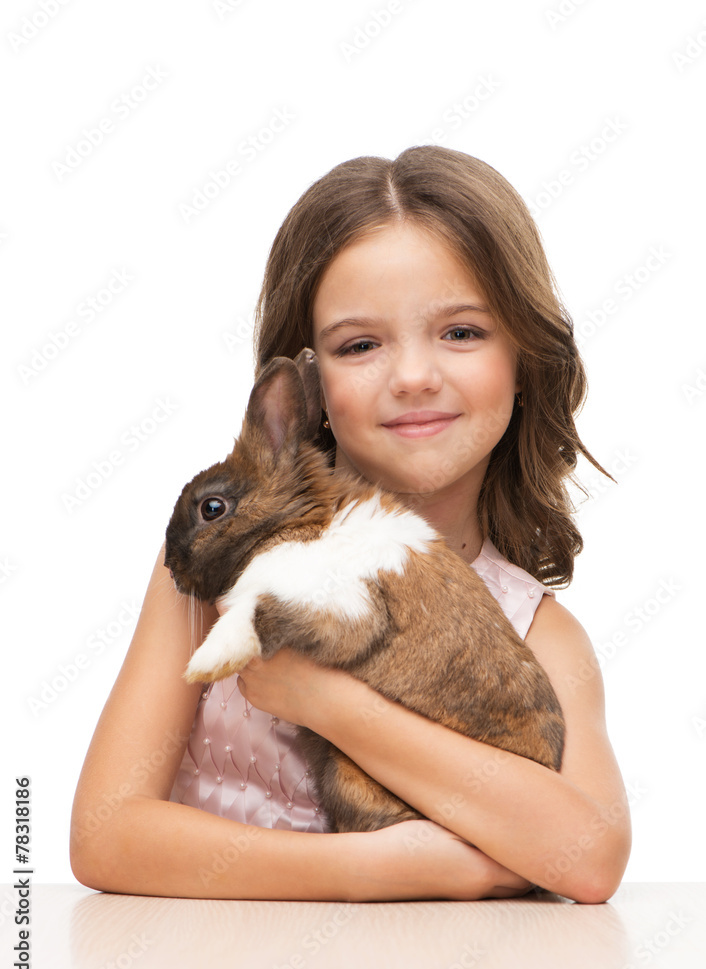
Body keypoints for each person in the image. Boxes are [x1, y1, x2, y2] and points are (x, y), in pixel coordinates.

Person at [70, 146, 631, 904]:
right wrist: (378, 870)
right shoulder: (218, 570)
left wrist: (325, 701)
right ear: (307, 389)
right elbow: (103, 837)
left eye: (461, 332)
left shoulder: (536, 631)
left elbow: (587, 859)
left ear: (525, 357)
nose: (412, 377)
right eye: (360, 345)